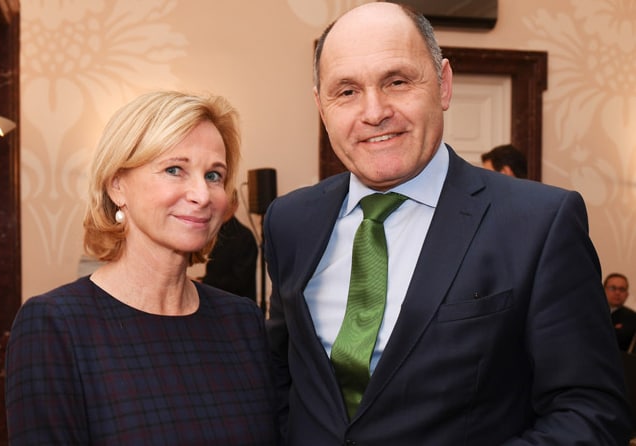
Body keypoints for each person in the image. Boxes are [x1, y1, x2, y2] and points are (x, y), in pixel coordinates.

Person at [263, 2, 632, 444]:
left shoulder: (539, 224)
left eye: (397, 81)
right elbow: (280, 375)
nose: (374, 111)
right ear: (321, 107)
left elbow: (591, 411)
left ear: (443, 85)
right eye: (346, 91)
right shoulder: (289, 222)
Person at [5, 91, 278, 445]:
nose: (202, 194)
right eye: (175, 170)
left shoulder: (242, 321)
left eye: (214, 175)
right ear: (117, 185)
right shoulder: (55, 326)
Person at [201, 189, 259, 301]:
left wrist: (204, 283)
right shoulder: (215, 232)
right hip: (215, 299)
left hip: (236, 304)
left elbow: (239, 281)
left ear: (235, 205)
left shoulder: (244, 237)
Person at [605, 272, 636, 351]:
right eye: (613, 288)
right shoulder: (591, 312)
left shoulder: (633, 318)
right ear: (603, 290)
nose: (617, 293)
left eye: (622, 289)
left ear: (627, 294)